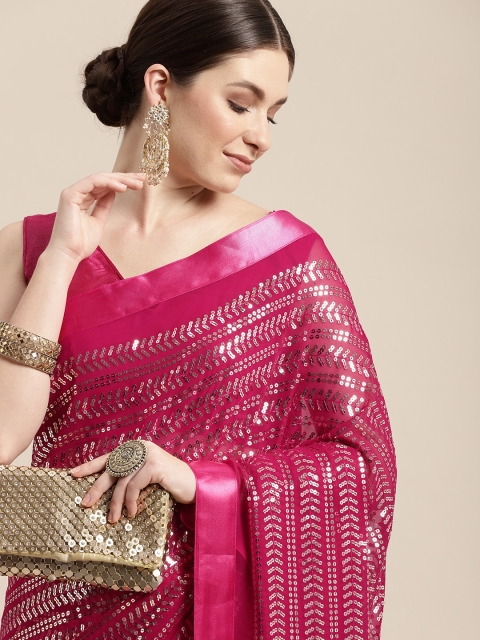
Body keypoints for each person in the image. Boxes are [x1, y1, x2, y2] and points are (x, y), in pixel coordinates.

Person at [0, 0, 397, 638]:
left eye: (273, 113)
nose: (262, 135)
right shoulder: (31, 248)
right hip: (54, 613)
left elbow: (362, 466)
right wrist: (60, 261)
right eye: (241, 104)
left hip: (201, 616)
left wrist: (199, 481)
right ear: (161, 87)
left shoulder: (286, 262)